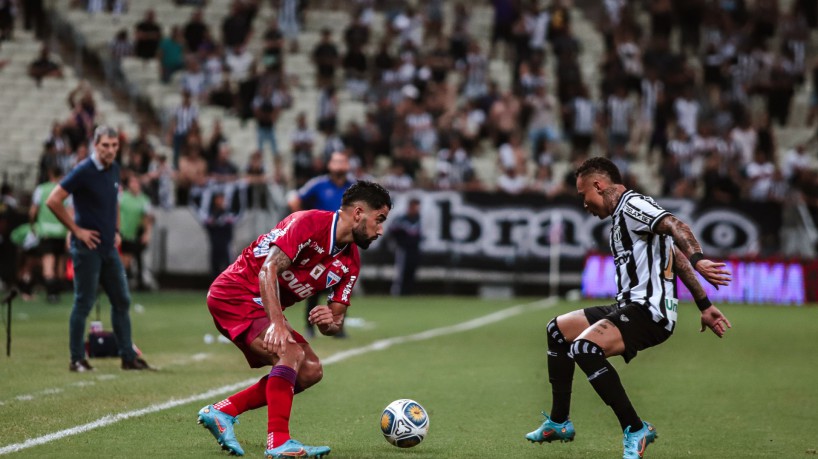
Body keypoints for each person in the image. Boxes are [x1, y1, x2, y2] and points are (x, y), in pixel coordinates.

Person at [525, 157, 732, 458]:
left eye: (584, 195)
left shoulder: (632, 205)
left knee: (584, 349)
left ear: (599, 185)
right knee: (557, 330)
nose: (584, 204)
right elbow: (673, 254)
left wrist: (700, 258)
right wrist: (704, 304)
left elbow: (675, 225)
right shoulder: (622, 218)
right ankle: (559, 422)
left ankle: (635, 429)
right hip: (629, 305)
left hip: (649, 312)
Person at [197, 181, 392, 458]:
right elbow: (268, 270)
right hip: (235, 293)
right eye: (379, 219)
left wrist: (329, 323)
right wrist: (278, 323)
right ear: (359, 213)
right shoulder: (308, 223)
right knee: (289, 352)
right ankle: (278, 442)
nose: (381, 230)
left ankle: (222, 412)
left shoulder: (350, 263)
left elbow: (335, 321)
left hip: (261, 305)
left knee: (311, 370)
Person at [46, 126, 152, 372]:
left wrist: (115, 231)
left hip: (107, 247)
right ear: (95, 145)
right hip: (87, 247)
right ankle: (76, 359)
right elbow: (53, 200)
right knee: (84, 302)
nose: (110, 150)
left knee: (122, 300)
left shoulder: (114, 169)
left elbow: (113, 202)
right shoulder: (83, 170)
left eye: (114, 146)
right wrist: (77, 230)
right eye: (105, 145)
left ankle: (128, 357)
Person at [288, 151, 354, 337]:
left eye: (343, 161)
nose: (340, 165)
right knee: (314, 285)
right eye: (336, 161)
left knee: (341, 285)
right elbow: (295, 199)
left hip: (344, 244)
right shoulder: (318, 185)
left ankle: (338, 325)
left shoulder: (354, 187)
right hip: (320, 244)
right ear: (329, 165)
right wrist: (303, 223)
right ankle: (309, 327)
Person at [30, 166, 70, 303]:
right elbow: (71, 213)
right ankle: (57, 292)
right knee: (60, 263)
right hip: (61, 231)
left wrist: (32, 225)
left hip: (45, 231)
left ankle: (51, 293)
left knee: (48, 262)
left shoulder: (41, 189)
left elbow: (33, 211)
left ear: (50, 174)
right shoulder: (65, 190)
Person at [119, 174, 153, 291]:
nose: (135, 185)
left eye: (137, 182)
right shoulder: (122, 197)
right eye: (132, 182)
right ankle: (121, 284)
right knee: (123, 259)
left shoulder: (144, 199)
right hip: (121, 233)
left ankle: (126, 284)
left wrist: (147, 233)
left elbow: (148, 218)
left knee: (129, 259)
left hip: (134, 234)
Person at [388, 197, 422, 296]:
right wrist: (399, 242)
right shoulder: (401, 220)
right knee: (401, 271)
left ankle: (408, 292)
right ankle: (398, 292)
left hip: (414, 249)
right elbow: (392, 231)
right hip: (403, 249)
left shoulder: (418, 219)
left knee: (411, 270)